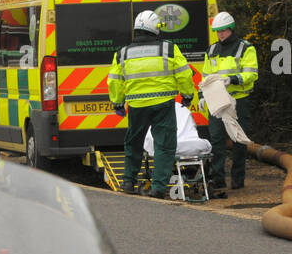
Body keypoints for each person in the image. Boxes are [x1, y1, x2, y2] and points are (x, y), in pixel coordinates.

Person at [107, 10, 197, 198]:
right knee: (164, 145)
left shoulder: (123, 53)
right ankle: (158, 187)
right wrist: (188, 95)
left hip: (137, 106)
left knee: (134, 142)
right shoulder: (169, 49)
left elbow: (114, 81)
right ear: (156, 29)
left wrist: (118, 103)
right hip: (163, 104)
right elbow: (184, 74)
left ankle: (129, 181)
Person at [200, 11, 259, 196]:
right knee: (216, 139)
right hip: (217, 101)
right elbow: (205, 77)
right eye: (218, 32)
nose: (221, 35)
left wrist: (232, 79)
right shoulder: (211, 50)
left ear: (231, 29)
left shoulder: (246, 48)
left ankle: (237, 179)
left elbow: (252, 74)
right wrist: (203, 95)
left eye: (223, 31)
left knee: (238, 140)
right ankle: (218, 179)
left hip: (238, 100)